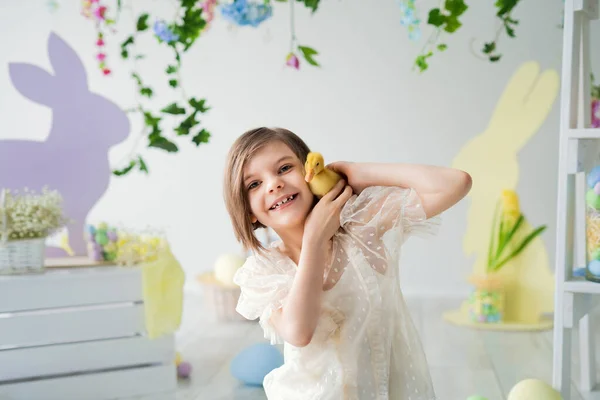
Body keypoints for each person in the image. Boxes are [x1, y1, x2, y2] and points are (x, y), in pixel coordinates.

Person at [223, 127, 472, 399]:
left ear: (310, 173)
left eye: (284, 168)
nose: (274, 184)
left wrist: (357, 172)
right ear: (248, 212)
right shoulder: (264, 271)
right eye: (254, 184)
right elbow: (298, 331)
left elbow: (456, 183)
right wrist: (315, 241)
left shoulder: (361, 227)